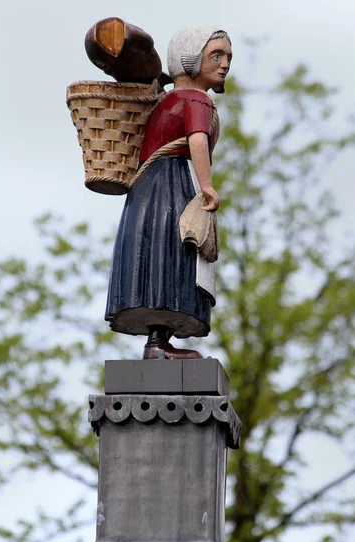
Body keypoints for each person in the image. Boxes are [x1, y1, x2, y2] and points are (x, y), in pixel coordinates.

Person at [105, 25, 232, 359]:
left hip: (145, 193)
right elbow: (197, 140)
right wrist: (206, 187)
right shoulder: (195, 99)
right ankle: (158, 343)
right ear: (191, 59)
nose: (225, 64)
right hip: (170, 188)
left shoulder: (166, 100)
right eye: (215, 55)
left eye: (227, 57)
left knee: (153, 257)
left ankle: (157, 341)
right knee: (172, 258)